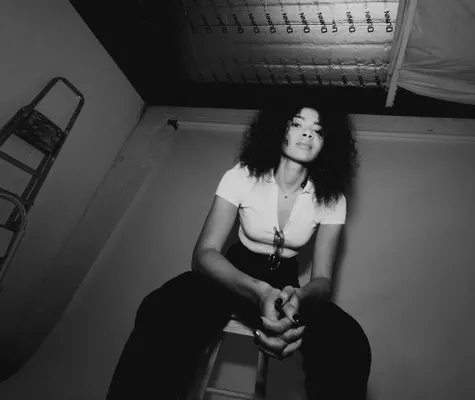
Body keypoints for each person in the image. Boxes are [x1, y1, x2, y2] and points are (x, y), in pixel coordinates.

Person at [106, 95, 372, 400]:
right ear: (277, 128)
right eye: (297, 124)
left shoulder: (333, 199)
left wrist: (299, 297)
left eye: (318, 130)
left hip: (286, 285)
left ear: (328, 142)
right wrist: (258, 290)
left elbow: (323, 281)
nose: (308, 134)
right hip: (232, 274)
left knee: (348, 340)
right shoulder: (242, 175)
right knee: (164, 307)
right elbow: (204, 254)